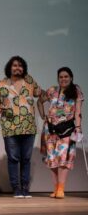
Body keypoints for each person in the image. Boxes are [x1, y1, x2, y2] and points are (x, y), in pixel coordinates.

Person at [0, 56, 41, 198]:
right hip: (10, 126)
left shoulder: (29, 81)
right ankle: (16, 188)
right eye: (15, 65)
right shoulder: (0, 85)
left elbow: (40, 94)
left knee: (26, 159)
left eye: (20, 65)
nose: (17, 68)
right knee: (13, 159)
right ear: (10, 67)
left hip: (29, 127)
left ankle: (25, 188)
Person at [38, 67, 83, 199]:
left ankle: (61, 189)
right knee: (52, 160)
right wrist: (43, 115)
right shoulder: (52, 90)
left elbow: (78, 111)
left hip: (67, 129)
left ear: (71, 77)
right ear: (58, 78)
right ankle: (56, 188)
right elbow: (39, 101)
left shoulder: (76, 91)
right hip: (50, 129)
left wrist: (78, 127)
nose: (63, 79)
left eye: (66, 76)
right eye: (61, 77)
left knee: (63, 159)